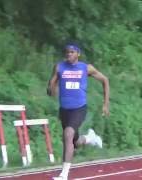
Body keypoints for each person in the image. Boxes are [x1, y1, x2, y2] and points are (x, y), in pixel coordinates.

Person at [47, 44, 110, 180]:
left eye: (72, 52)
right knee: (73, 141)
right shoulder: (59, 67)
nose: (68, 54)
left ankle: (64, 175)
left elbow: (105, 80)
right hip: (64, 110)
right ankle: (89, 138)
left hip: (79, 108)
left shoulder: (86, 68)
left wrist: (105, 104)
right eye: (67, 52)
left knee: (68, 134)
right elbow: (50, 90)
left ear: (78, 54)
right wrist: (51, 87)